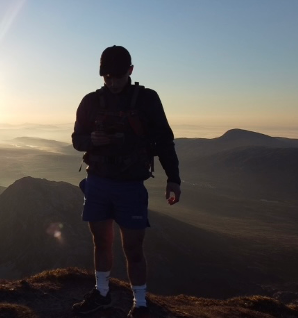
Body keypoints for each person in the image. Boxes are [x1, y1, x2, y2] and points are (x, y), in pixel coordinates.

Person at [71, 45, 181, 318]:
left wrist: (174, 179)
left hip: (131, 185)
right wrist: (91, 141)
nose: (112, 81)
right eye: (106, 76)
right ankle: (102, 293)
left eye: (117, 76)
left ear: (130, 71)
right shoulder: (90, 101)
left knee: (133, 247)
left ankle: (140, 304)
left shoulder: (147, 99)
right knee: (101, 242)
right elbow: (77, 139)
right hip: (97, 180)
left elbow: (165, 140)